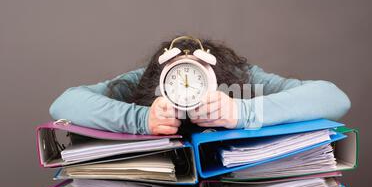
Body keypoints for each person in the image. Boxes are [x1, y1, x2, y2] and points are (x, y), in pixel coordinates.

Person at [49, 37, 351, 135]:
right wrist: (141, 120)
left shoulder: (242, 76)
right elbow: (64, 103)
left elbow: (333, 97)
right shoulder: (143, 79)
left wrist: (241, 111)